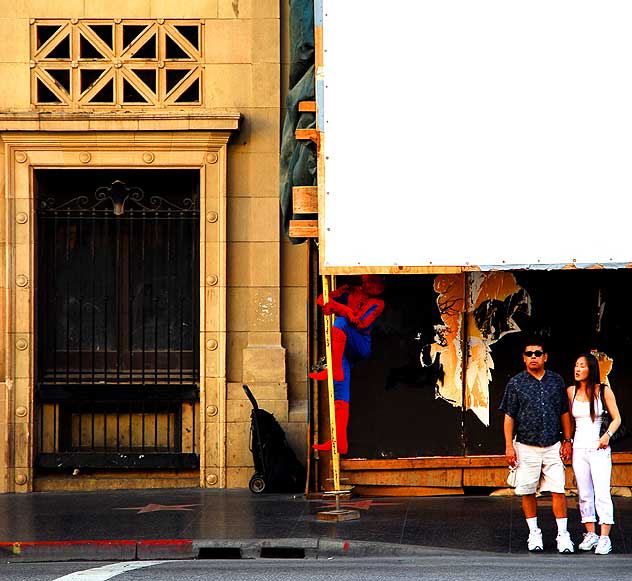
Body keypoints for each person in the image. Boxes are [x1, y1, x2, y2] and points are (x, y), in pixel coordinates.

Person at [500, 340, 574, 553]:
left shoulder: (556, 381)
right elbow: (509, 416)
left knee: (559, 490)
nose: (533, 356)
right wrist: (508, 446)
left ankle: (563, 536)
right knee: (528, 490)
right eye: (529, 353)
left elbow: (564, 412)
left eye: (537, 353)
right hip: (525, 445)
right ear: (524, 357)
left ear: (545, 357)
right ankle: (534, 533)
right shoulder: (515, 383)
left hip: (553, 445)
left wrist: (567, 441)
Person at [309, 274, 385, 454]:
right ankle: (339, 441)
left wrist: (342, 310)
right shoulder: (352, 291)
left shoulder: (377, 303)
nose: (367, 284)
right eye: (366, 280)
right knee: (340, 392)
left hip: (359, 345)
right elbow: (322, 300)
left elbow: (360, 322)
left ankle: (334, 370)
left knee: (341, 322)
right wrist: (336, 297)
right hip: (342, 349)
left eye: (372, 281)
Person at [567, 353, 621, 555]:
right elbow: (570, 421)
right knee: (584, 492)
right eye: (575, 365)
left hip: (599, 447)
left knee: (602, 492)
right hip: (579, 447)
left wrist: (607, 435)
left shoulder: (603, 390)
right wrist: (567, 442)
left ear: (591, 369)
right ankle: (590, 533)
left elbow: (617, 418)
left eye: (582, 366)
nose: (577, 369)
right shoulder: (571, 391)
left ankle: (605, 536)